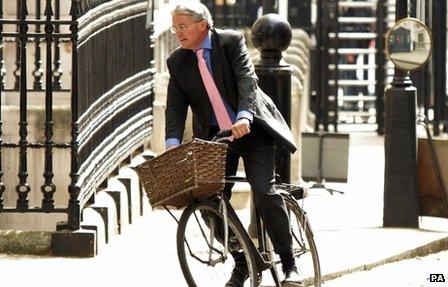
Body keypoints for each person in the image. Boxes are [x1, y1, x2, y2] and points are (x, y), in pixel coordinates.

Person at [165, 3, 301, 286]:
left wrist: (243, 115)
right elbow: (176, 107)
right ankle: (244, 260)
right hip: (216, 140)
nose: (178, 33)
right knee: (206, 202)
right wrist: (172, 144)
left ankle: (289, 264)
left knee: (264, 190)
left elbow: (246, 79)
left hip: (252, 131)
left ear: (202, 24)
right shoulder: (177, 61)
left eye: (182, 26)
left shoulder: (230, 41)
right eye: (175, 27)